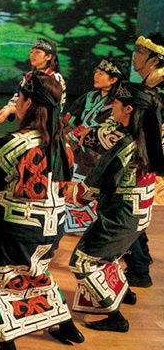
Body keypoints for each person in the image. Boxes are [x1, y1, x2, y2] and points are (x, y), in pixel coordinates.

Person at [0, 73, 84, 350]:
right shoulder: (63, 143)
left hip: (15, 229)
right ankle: (66, 326)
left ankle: (5, 347)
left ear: (27, 104)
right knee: (36, 273)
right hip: (52, 227)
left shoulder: (15, 143)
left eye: (20, 99)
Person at [69, 82, 164, 332]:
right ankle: (123, 293)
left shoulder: (125, 144)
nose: (112, 105)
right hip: (138, 215)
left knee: (82, 262)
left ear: (129, 109)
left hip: (120, 217)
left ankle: (115, 317)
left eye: (117, 102)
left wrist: (69, 191)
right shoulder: (149, 137)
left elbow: (92, 187)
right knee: (107, 256)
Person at [62, 57, 128, 233]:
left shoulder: (119, 104)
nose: (96, 76)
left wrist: (74, 135)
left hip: (100, 156)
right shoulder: (89, 97)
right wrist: (63, 131)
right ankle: (73, 224)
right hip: (81, 154)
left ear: (114, 79)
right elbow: (71, 119)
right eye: (96, 72)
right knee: (72, 190)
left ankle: (87, 225)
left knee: (91, 192)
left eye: (101, 73)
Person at [121, 33, 164, 288]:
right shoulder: (152, 84)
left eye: (140, 52)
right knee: (134, 209)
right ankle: (142, 258)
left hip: (150, 161)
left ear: (155, 59)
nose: (135, 55)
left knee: (126, 210)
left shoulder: (157, 89)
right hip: (149, 160)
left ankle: (138, 270)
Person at [0, 38, 65, 124]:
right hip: (27, 119)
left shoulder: (55, 78)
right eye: (32, 52)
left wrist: (13, 109)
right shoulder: (30, 75)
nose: (32, 55)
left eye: (37, 52)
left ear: (48, 57)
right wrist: (10, 107)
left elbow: (47, 106)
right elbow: (18, 94)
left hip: (45, 122)